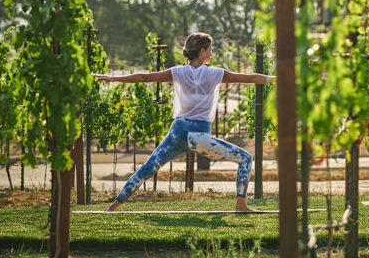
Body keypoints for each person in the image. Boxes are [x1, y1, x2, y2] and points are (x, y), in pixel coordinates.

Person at [94, 32, 275, 213]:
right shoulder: (215, 73)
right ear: (202, 51)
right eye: (210, 50)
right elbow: (251, 78)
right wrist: (277, 79)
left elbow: (145, 77)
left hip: (177, 133)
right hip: (199, 137)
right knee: (245, 159)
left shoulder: (177, 72)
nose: (212, 54)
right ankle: (241, 205)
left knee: (147, 168)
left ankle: (113, 207)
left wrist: (112, 78)